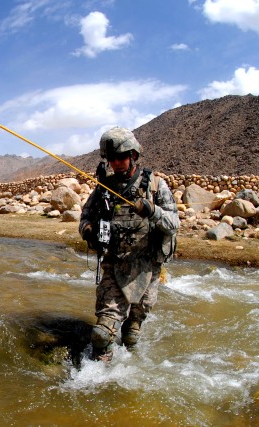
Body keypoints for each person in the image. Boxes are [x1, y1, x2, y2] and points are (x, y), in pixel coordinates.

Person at [79, 127, 180, 362]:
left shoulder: (155, 185)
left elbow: (174, 224)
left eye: (121, 157)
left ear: (133, 155)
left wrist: (152, 211)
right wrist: (88, 230)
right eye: (111, 158)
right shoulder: (103, 188)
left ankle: (131, 370)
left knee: (132, 334)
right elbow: (84, 217)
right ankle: (99, 379)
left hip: (148, 268)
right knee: (102, 334)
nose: (116, 163)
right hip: (115, 265)